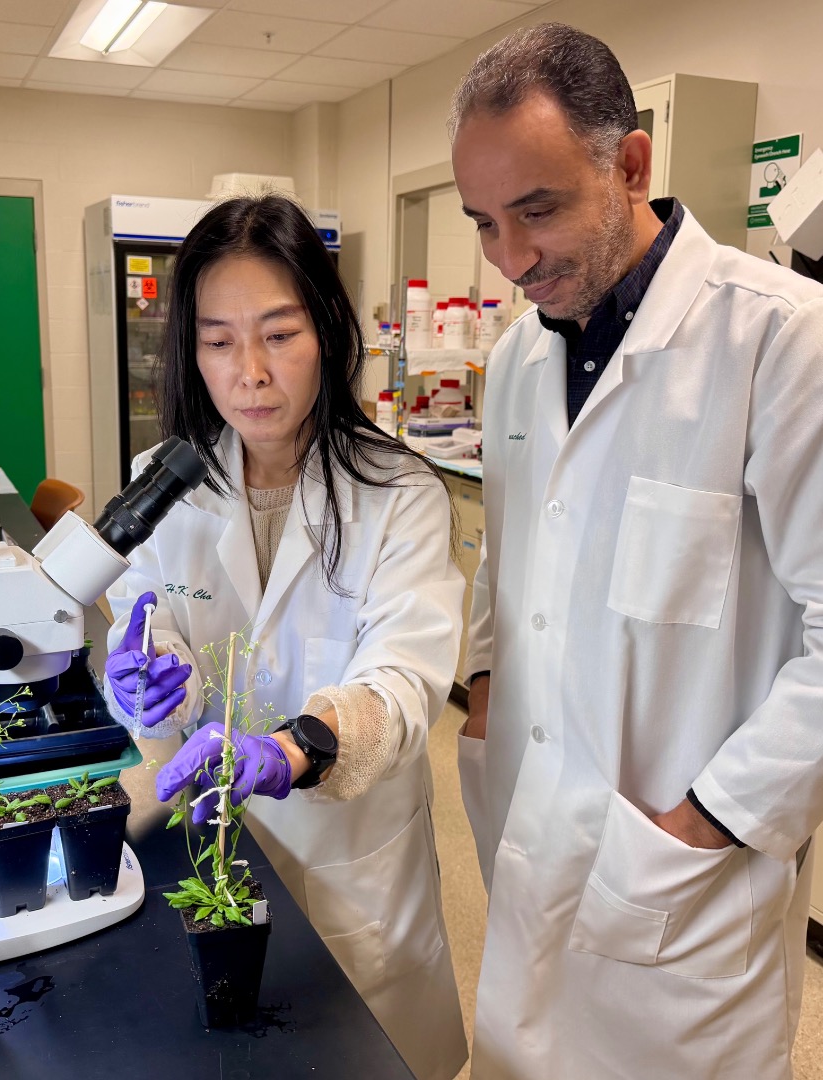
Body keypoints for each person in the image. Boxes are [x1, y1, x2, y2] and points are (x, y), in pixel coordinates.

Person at [451, 22, 823, 1080]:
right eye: (485, 223)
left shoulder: (782, 340)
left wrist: (709, 822)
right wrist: (482, 692)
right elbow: (510, 557)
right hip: (537, 831)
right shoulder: (519, 357)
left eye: (538, 211)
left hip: (683, 882)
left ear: (630, 164)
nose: (511, 260)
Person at [102, 193, 469, 1080]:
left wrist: (297, 748)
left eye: (279, 333)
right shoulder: (163, 483)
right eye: (219, 340)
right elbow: (144, 620)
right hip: (209, 846)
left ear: (328, 333)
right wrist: (145, 676)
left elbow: (403, 682)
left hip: (352, 864)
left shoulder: (399, 494)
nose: (250, 373)